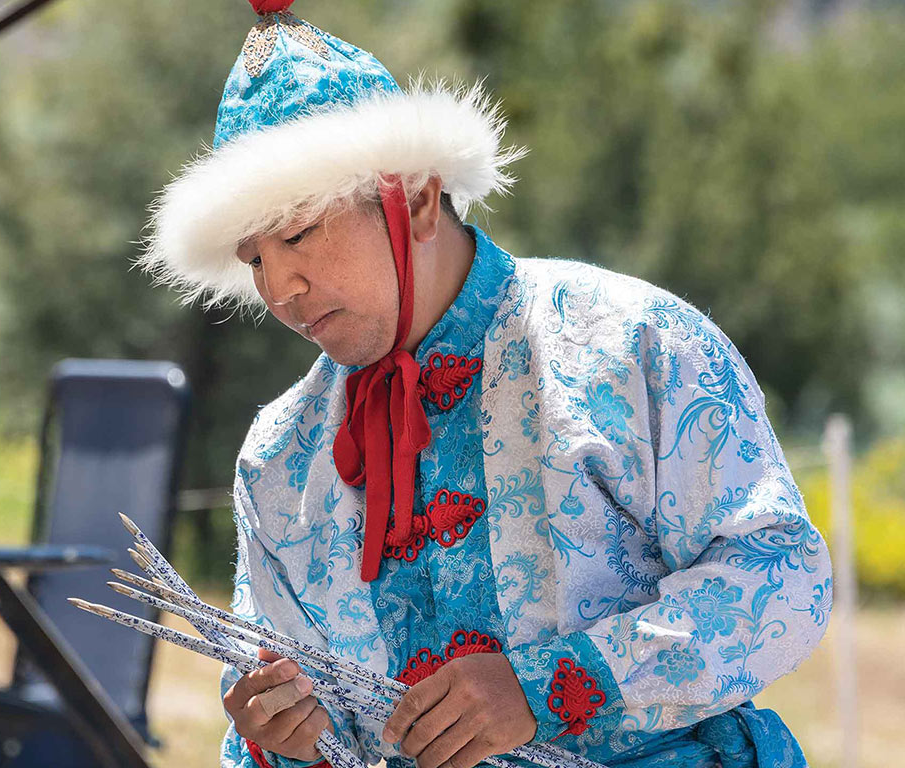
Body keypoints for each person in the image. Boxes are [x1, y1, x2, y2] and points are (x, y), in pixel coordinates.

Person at [141, 2, 833, 767]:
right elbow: (291, 727)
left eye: (298, 232)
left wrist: (550, 686)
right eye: (255, 257)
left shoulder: (629, 344)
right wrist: (280, 741)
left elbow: (781, 577)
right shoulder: (277, 459)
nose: (281, 287)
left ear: (418, 199)